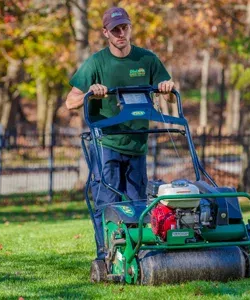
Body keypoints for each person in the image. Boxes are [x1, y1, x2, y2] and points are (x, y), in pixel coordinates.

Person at [65, 7, 174, 260]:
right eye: (115, 30)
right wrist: (91, 91)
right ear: (106, 33)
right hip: (106, 143)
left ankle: (137, 254)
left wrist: (167, 88)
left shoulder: (147, 60)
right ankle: (106, 255)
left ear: (130, 28)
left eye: (125, 27)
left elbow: (166, 92)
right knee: (107, 201)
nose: (121, 33)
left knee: (138, 204)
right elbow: (70, 102)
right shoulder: (97, 62)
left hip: (137, 144)